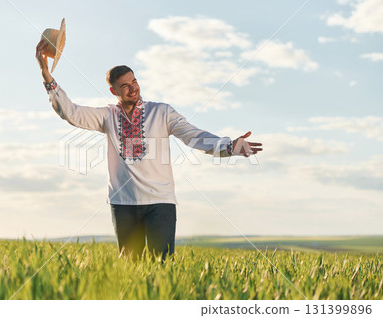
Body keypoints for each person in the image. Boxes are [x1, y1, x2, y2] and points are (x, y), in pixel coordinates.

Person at [35, 39, 263, 261]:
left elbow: (193, 135)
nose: (132, 88)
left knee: (162, 267)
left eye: (134, 81)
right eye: (124, 85)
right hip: (123, 204)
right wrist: (46, 75)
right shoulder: (107, 116)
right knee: (130, 269)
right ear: (113, 90)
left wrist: (228, 146)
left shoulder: (162, 112)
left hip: (160, 203)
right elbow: (71, 113)